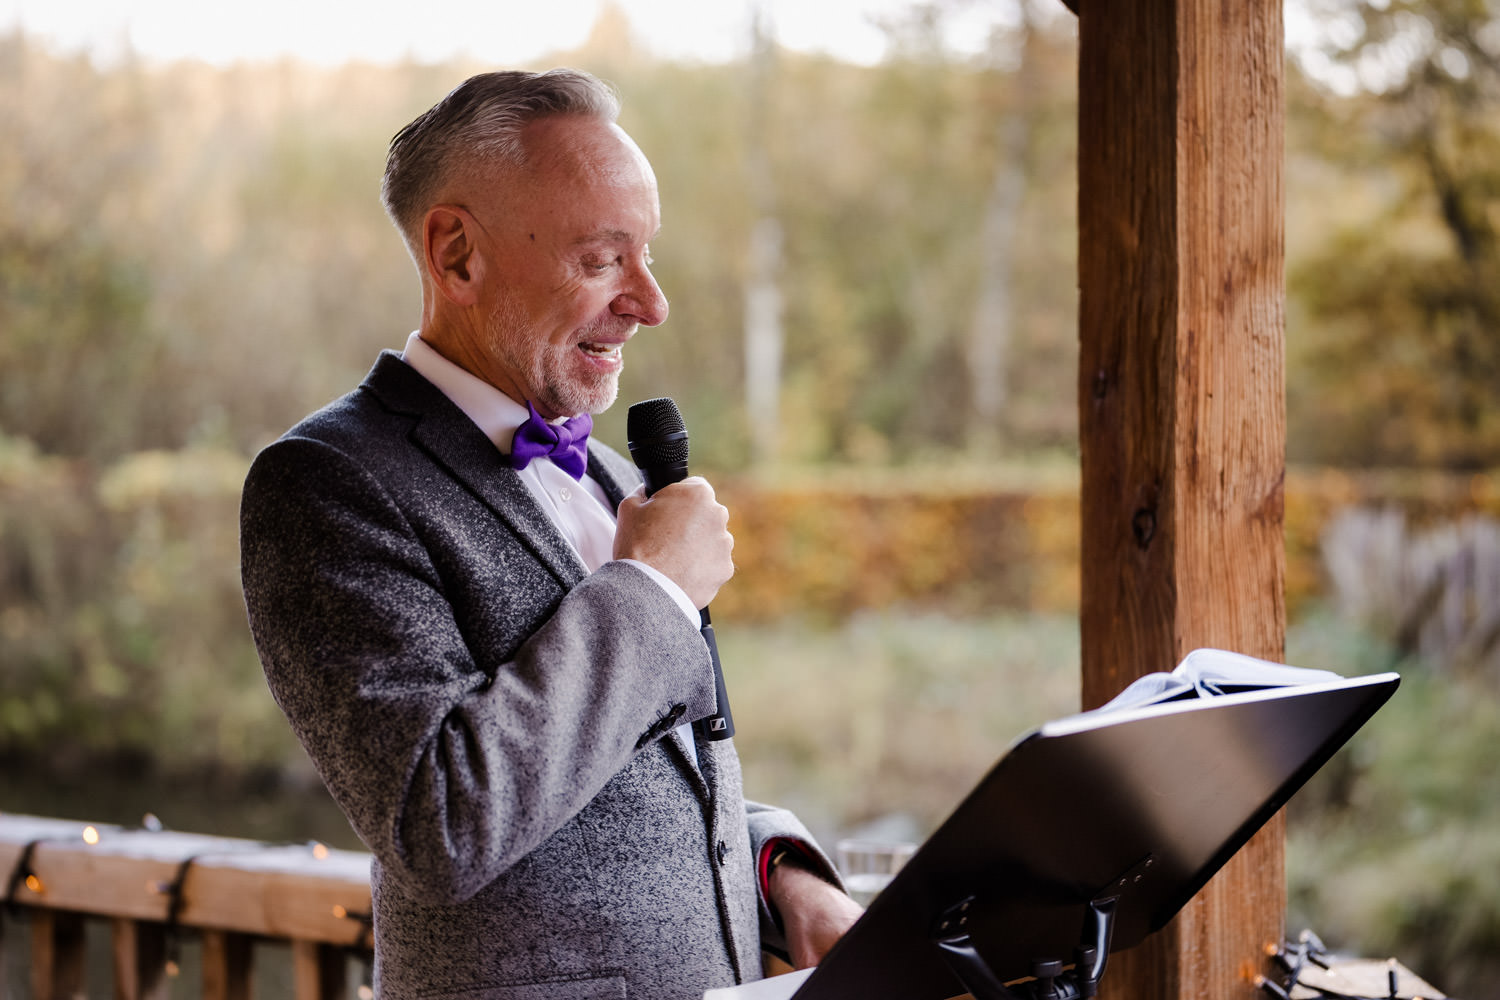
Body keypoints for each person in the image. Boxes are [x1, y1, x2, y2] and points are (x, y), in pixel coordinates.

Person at [239, 68, 863, 999]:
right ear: (454, 254)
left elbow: (638, 779)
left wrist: (780, 873)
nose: (650, 303)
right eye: (604, 259)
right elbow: (440, 822)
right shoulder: (326, 482)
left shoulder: (615, 478)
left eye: (648, 257)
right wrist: (650, 590)